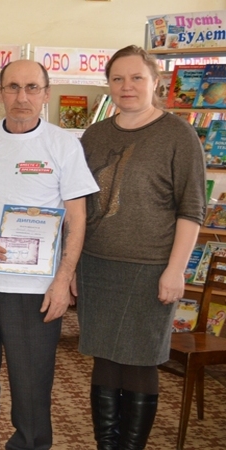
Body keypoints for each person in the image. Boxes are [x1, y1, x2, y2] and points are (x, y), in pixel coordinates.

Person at [0, 59, 99, 450]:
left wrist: (63, 280)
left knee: (32, 387)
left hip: (35, 291)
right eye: (12, 87)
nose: (21, 97)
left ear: (46, 94)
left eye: (31, 88)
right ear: (1, 93)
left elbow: (77, 219)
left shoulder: (63, 145)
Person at [75, 45, 205, 450]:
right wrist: (71, 266)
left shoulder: (178, 135)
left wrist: (175, 270)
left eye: (136, 78)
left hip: (150, 269)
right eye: (117, 78)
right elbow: (76, 205)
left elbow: (192, 209)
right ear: (108, 85)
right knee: (104, 358)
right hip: (96, 266)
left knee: (140, 361)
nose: (126, 86)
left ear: (155, 82)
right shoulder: (95, 135)